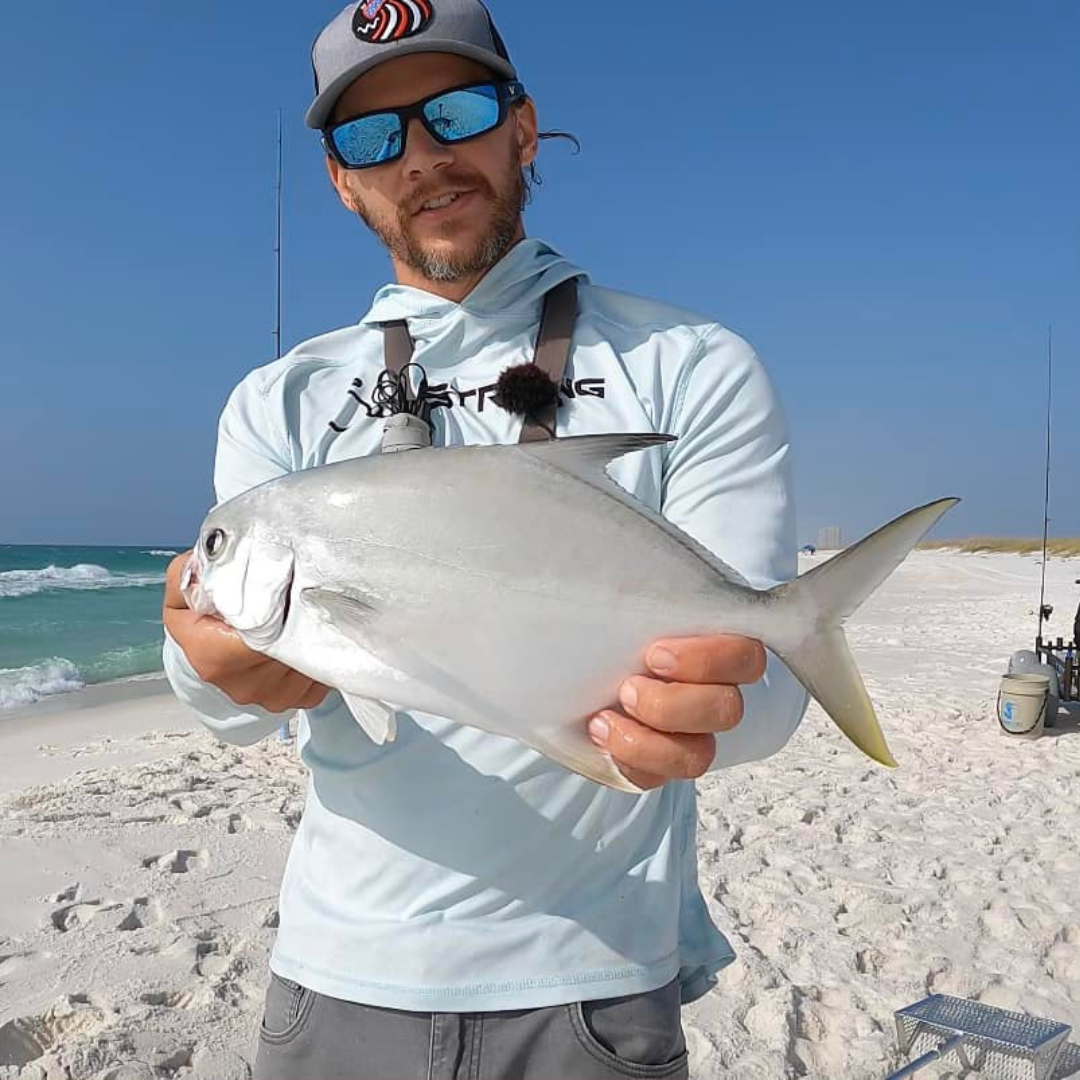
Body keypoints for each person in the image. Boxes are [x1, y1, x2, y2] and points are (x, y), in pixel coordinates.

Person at [162, 2, 808, 1076]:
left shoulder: (692, 364)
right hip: (335, 976)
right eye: (373, 137)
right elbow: (232, 694)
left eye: (454, 111)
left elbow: (770, 687)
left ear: (522, 125)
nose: (421, 156)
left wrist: (716, 711)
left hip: (591, 987)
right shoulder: (278, 402)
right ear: (339, 179)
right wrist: (206, 670)